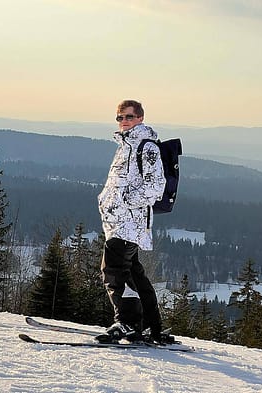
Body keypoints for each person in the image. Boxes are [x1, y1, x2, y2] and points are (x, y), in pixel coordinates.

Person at [98, 99, 166, 343]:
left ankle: (127, 323)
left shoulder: (146, 147)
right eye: (119, 117)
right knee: (134, 273)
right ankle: (150, 324)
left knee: (114, 271)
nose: (123, 122)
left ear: (140, 118)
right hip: (119, 222)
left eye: (128, 117)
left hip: (130, 223)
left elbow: (156, 186)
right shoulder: (126, 145)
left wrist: (125, 200)